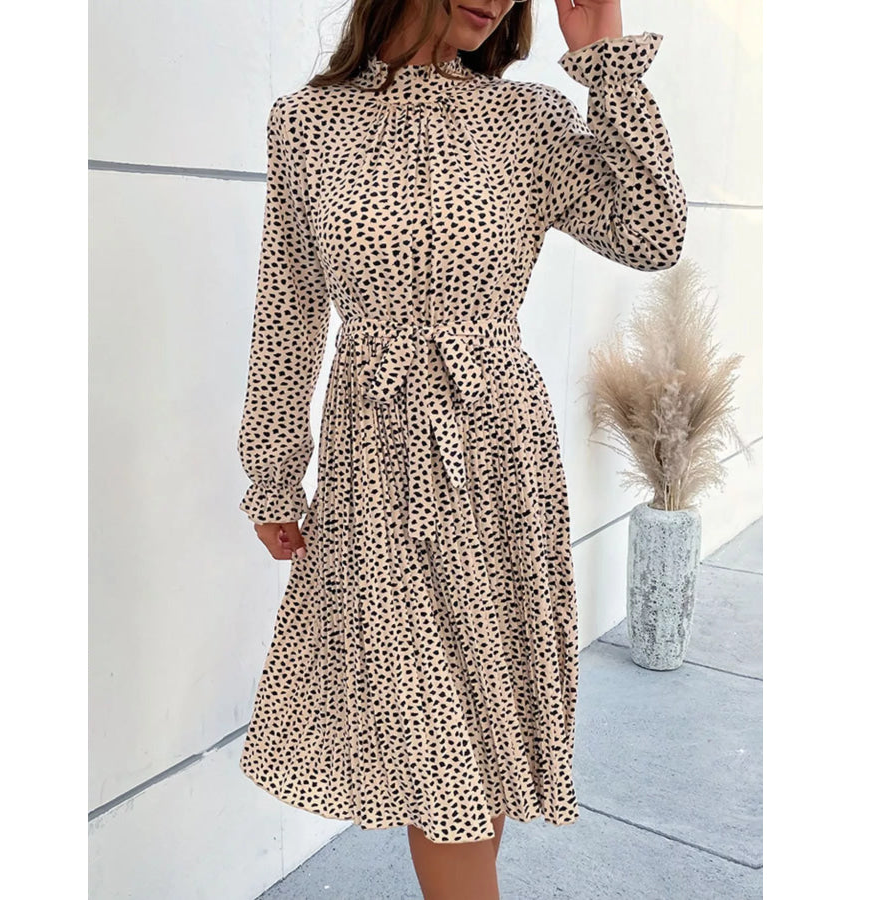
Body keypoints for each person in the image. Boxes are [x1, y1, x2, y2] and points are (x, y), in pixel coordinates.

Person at [236, 0, 687, 897]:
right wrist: (274, 473)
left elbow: (652, 233)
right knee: (433, 746)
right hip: (376, 468)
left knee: (481, 731)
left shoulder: (528, 119)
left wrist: (608, 68)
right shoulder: (307, 124)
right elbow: (289, 310)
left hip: (503, 459)